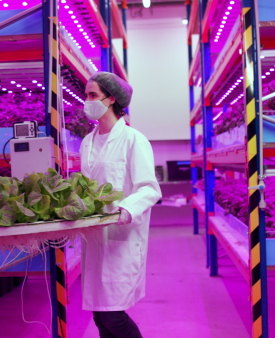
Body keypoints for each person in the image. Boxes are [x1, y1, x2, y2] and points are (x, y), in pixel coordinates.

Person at [79, 72, 162, 338]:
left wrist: (122, 211)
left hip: (120, 237)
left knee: (113, 316)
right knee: (100, 316)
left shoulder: (133, 139)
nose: (87, 101)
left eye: (93, 95)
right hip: (93, 236)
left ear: (111, 98)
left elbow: (149, 188)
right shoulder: (87, 142)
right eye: (86, 95)